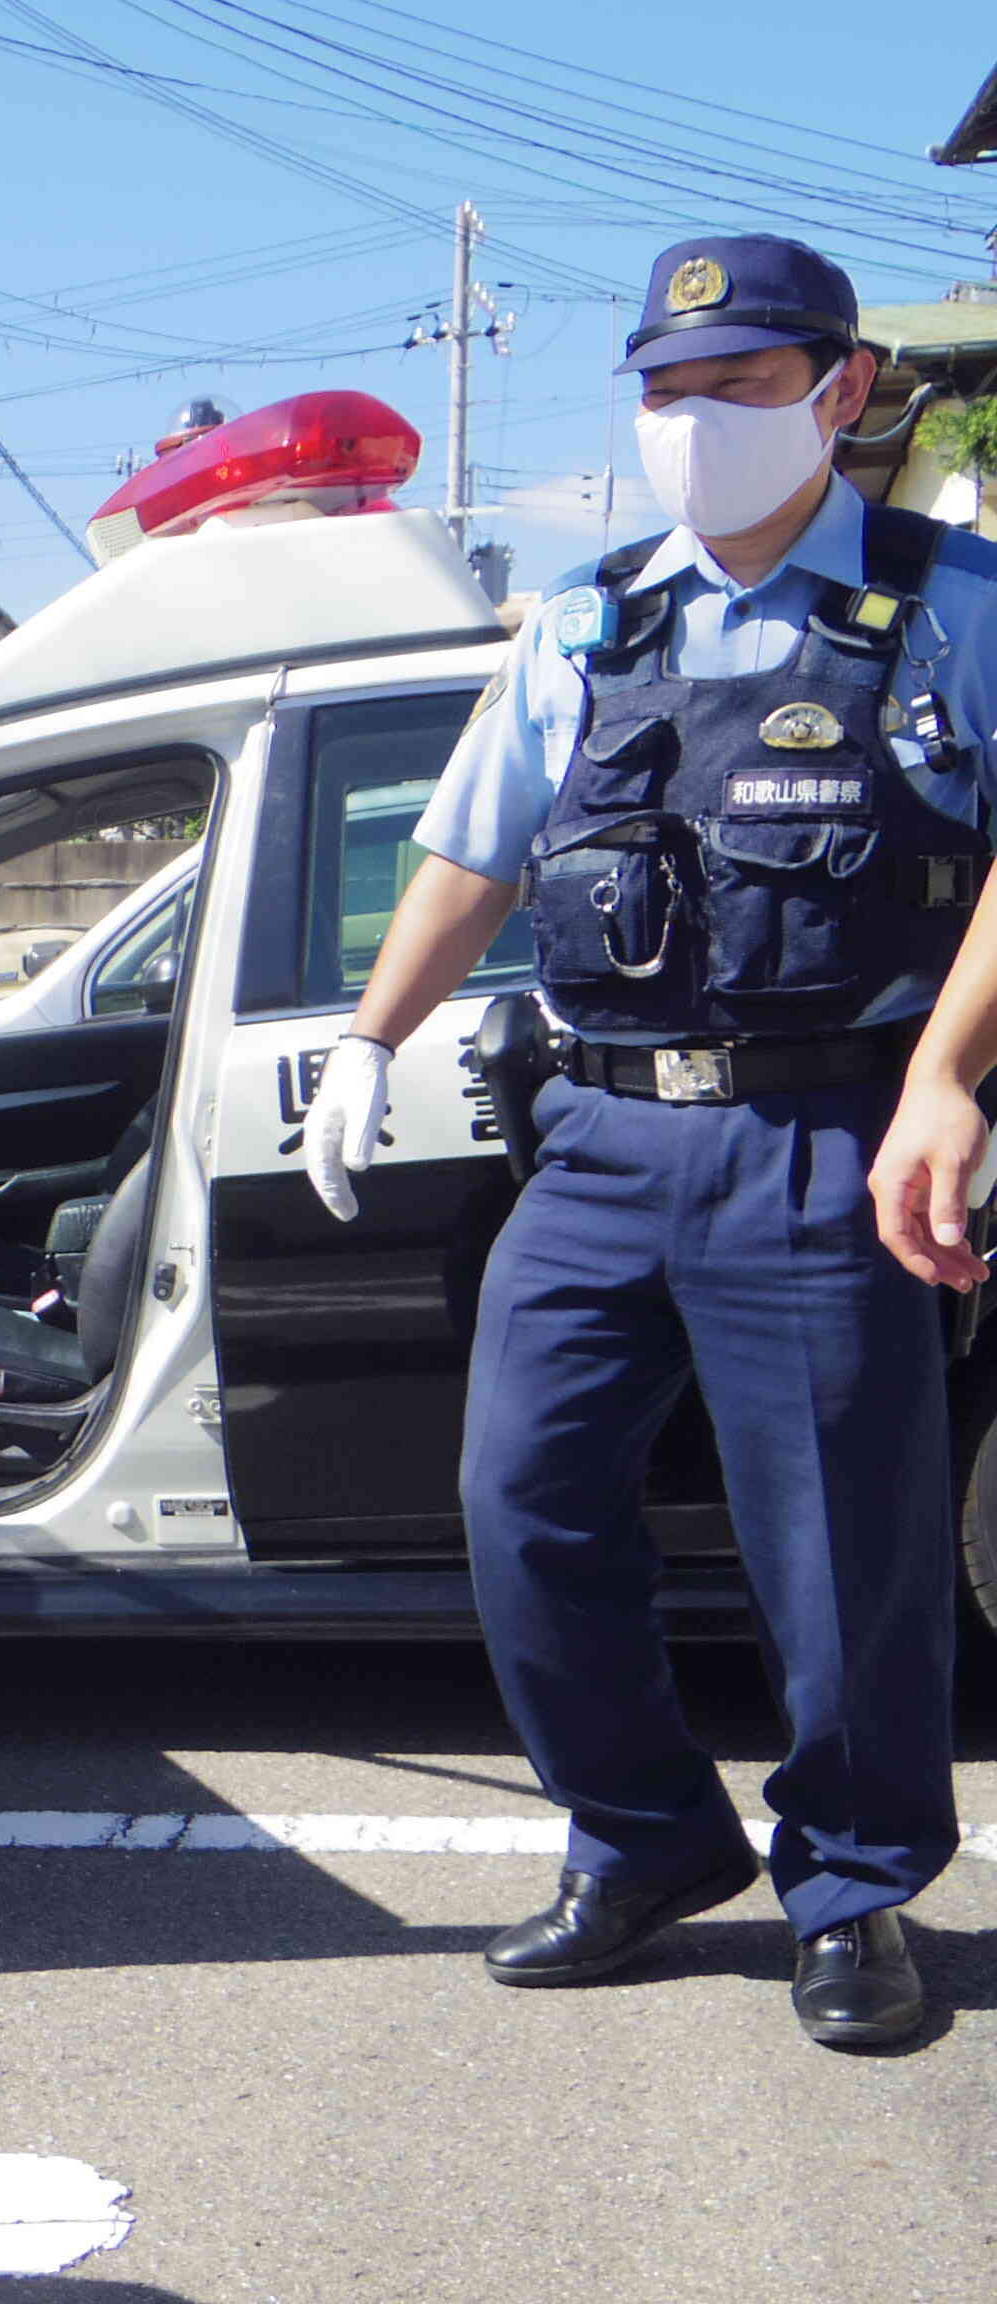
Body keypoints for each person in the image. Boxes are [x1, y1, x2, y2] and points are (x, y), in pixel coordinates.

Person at [300, 234, 997, 2050]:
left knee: (844, 1546)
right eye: (667, 388)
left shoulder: (951, 604)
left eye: (744, 382)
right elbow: (470, 849)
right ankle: (641, 1837)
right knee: (521, 1501)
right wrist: (369, 1038)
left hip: (826, 1129)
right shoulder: (585, 621)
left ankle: (849, 1888)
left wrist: (942, 1077)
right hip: (601, 1138)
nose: (697, 420)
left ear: (838, 391)